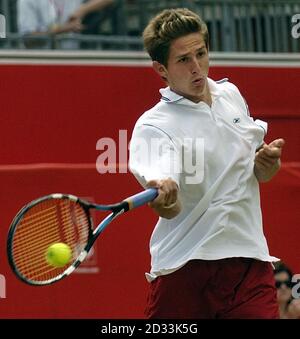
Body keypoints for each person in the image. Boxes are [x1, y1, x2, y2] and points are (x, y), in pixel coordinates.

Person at [129, 8, 285, 319]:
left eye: (201, 53)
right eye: (184, 60)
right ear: (161, 69)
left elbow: (258, 173)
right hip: (185, 272)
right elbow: (167, 204)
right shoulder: (153, 126)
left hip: (248, 265)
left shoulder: (231, 95)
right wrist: (165, 194)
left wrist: (266, 164)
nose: (197, 67)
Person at [17, 0, 115, 49]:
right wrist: (61, 30)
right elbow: (28, 40)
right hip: (38, 64)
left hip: (72, 61)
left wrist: (83, 9)